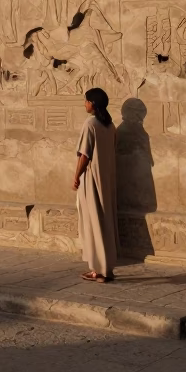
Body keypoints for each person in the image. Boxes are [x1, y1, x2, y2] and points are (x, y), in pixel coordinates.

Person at [72, 87, 119, 282]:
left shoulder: (90, 124)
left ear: (93, 103)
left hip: (92, 179)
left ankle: (97, 270)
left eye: (86, 101)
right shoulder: (110, 126)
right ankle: (106, 269)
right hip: (107, 180)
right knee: (105, 222)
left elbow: (85, 155)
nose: (85, 104)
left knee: (93, 223)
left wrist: (76, 176)